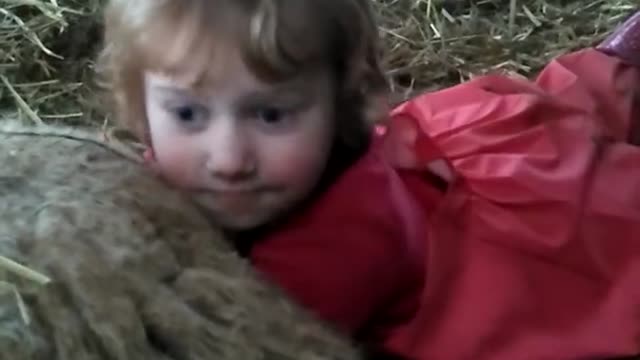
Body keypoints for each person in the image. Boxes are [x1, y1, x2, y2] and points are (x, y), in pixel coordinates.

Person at [96, 0, 640, 358]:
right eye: (189, 115)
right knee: (554, 122)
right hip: (448, 172)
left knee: (587, 186)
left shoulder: (344, 249)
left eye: (271, 115)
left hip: (475, 266)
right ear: (141, 106)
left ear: (340, 102)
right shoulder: (213, 165)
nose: (228, 158)